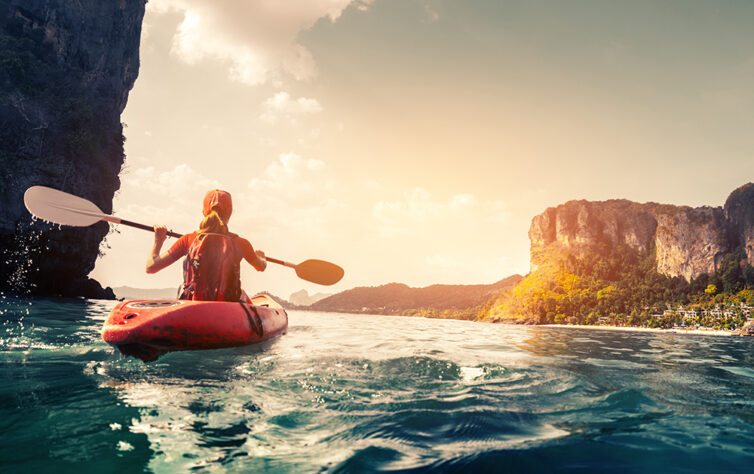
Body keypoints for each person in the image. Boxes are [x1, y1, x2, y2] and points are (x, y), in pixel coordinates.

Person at [146, 189, 267, 301]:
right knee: (242, 294)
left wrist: (159, 241)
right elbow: (261, 267)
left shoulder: (188, 240)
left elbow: (151, 267)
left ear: (204, 212)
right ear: (229, 213)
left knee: (181, 288)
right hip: (228, 305)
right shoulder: (241, 243)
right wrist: (260, 257)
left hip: (193, 304)